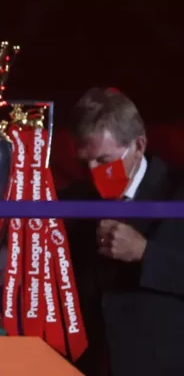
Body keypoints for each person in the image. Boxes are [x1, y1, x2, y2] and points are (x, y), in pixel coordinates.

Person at [63, 87, 184, 376]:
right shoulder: (76, 199)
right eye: (84, 162)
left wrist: (145, 253)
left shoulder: (178, 192)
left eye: (103, 161)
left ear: (139, 146)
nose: (93, 173)